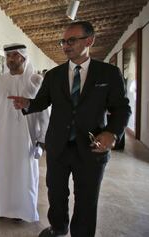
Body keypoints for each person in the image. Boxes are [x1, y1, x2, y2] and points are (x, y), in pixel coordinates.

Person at [9, 21, 131, 237]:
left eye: (71, 40)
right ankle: (58, 227)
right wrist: (27, 103)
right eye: (63, 41)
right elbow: (42, 101)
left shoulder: (108, 74)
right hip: (58, 146)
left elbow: (121, 108)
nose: (65, 45)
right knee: (56, 193)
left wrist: (112, 133)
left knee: (87, 197)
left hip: (91, 148)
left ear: (89, 40)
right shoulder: (54, 75)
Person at [0, 43, 49, 222]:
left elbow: (44, 113)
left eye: (14, 55)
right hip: (3, 136)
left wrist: (42, 138)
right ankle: (5, 208)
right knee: (4, 172)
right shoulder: (0, 81)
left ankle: (24, 210)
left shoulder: (36, 81)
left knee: (25, 175)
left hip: (27, 137)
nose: (10, 59)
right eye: (7, 56)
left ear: (23, 57)